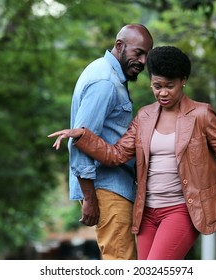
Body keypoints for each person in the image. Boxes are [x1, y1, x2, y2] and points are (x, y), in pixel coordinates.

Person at [49, 46, 216, 260]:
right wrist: (84, 136)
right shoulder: (145, 116)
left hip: (181, 210)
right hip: (147, 213)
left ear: (184, 81)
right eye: (156, 86)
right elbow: (116, 155)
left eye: (169, 86)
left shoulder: (202, 115)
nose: (162, 92)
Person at [64, 24, 153, 260]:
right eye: (139, 53)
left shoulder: (108, 75)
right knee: (120, 262)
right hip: (107, 189)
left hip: (114, 187)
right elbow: (80, 139)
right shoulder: (105, 81)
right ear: (120, 46)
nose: (143, 61)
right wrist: (90, 199)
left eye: (146, 55)